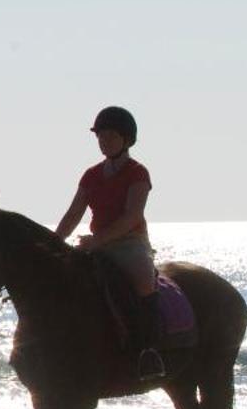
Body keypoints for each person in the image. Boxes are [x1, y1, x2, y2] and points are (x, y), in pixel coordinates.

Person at [54, 105, 165, 380]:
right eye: (100, 137)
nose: (104, 142)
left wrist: (96, 241)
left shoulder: (138, 173)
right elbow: (73, 214)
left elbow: (132, 216)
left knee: (142, 278)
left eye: (110, 136)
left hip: (130, 243)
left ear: (126, 139)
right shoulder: (91, 175)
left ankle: (149, 351)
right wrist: (54, 243)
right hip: (97, 244)